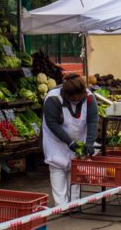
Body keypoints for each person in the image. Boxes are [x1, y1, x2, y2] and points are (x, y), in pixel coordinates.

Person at [42, 74, 98, 205]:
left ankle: (74, 203)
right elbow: (52, 124)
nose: (77, 100)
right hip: (56, 140)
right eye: (74, 99)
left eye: (80, 98)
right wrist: (69, 142)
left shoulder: (89, 98)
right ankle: (61, 205)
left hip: (78, 137)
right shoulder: (53, 98)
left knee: (75, 168)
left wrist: (90, 142)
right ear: (67, 95)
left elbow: (93, 121)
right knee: (58, 167)